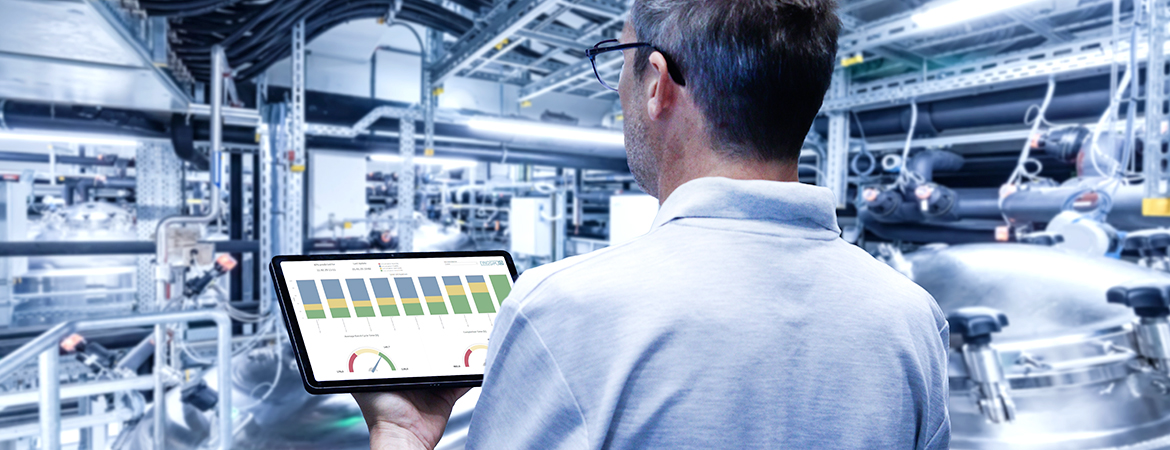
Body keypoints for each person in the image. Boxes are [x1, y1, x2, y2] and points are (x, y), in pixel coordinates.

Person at [354, 0, 951, 448]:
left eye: (618, 62)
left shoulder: (563, 307)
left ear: (657, 86)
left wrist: (401, 434)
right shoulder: (912, 318)